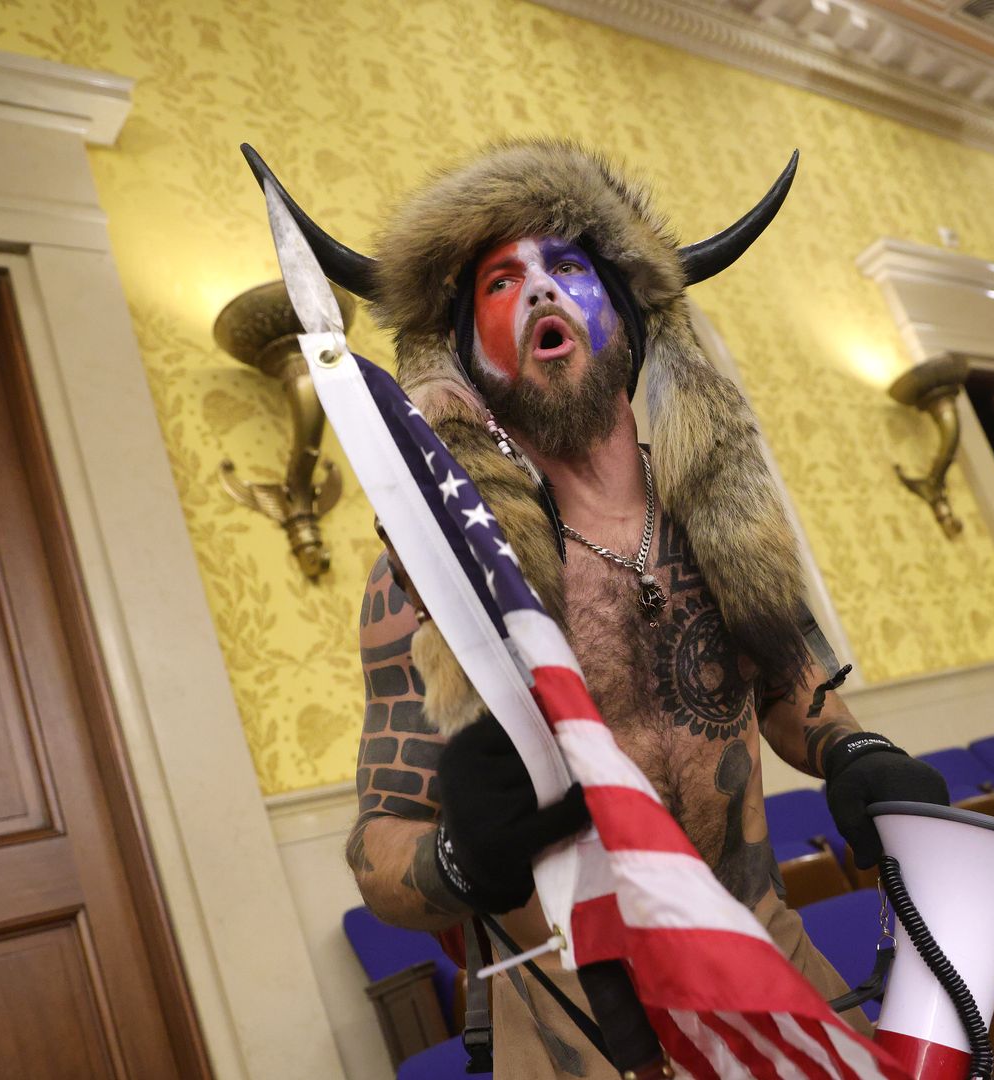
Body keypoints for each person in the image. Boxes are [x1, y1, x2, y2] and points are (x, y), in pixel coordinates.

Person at [254, 142, 948, 1077]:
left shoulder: (721, 527)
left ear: (626, 317)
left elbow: (796, 688)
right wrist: (462, 859)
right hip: (575, 1021)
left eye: (568, 266)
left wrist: (858, 753)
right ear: (467, 353)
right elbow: (376, 850)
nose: (541, 291)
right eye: (502, 282)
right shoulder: (437, 577)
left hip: (763, 959)